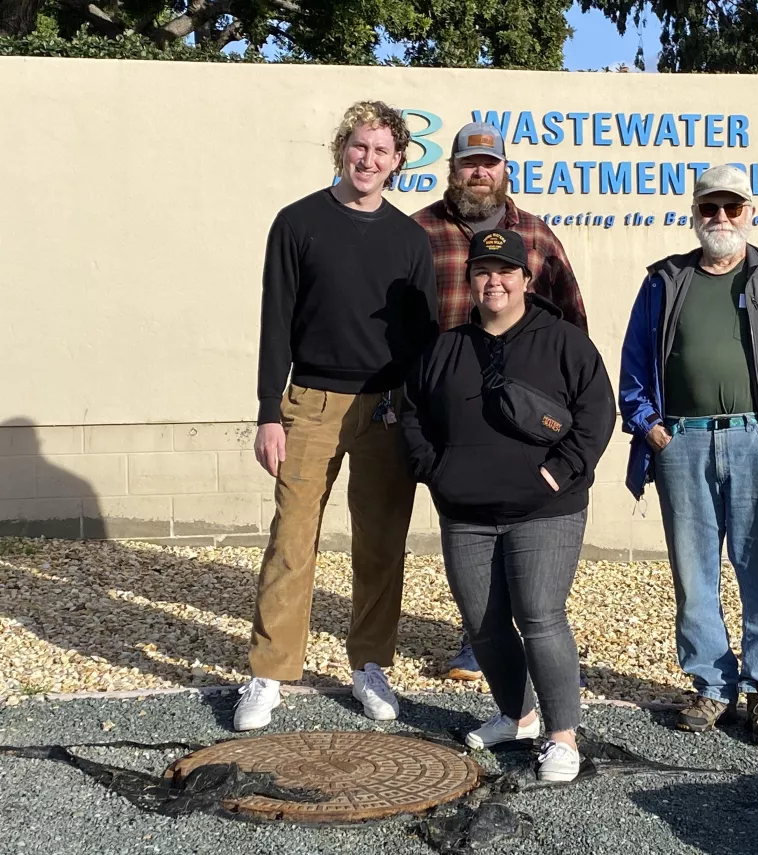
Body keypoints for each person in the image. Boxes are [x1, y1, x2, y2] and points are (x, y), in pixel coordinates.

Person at [234, 100, 439, 732]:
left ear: (398, 161)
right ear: (341, 149)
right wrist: (271, 410)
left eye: (382, 151)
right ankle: (269, 672)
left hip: (384, 407)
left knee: (380, 545)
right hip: (310, 404)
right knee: (292, 541)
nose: (368, 160)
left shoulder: (410, 240)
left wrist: (419, 416)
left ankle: (370, 665)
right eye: (359, 147)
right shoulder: (297, 224)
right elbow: (276, 322)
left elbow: (422, 339)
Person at [618, 164, 758, 746]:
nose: (720, 218)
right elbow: (636, 360)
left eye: (732, 208)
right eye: (710, 208)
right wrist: (651, 428)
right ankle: (712, 687)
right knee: (693, 573)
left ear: (750, 213)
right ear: (694, 214)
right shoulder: (664, 281)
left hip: (755, 441)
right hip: (680, 442)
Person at [401, 228, 616, 782]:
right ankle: (518, 716)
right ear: (470, 280)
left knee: (540, 617)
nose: (492, 281)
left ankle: (562, 735)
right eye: (482, 271)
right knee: (483, 625)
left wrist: (557, 473)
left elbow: (597, 415)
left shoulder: (565, 342)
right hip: (466, 513)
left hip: (546, 510)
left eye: (504, 271)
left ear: (526, 279)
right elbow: (412, 413)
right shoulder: (447, 346)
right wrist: (435, 472)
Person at [412, 121, 590, 681]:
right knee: (470, 531)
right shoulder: (419, 232)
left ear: (505, 168)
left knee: (527, 533)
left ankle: (529, 655)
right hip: (448, 408)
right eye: (470, 162)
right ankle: (480, 640)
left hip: (522, 416)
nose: (480, 172)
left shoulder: (536, 236)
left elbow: (571, 317)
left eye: (490, 162)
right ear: (454, 169)